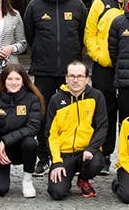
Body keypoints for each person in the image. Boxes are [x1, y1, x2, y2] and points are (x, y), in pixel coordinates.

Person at [23, 0, 87, 175]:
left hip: (71, 73)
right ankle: (44, 157)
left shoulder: (77, 5)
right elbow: (30, 35)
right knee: (44, 116)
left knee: (72, 115)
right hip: (44, 71)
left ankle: (69, 157)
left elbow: (81, 35)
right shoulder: (34, 6)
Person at [83, 0, 129, 172]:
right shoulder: (100, 3)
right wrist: (99, 56)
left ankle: (128, 157)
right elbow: (89, 34)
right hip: (104, 68)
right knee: (105, 113)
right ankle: (104, 155)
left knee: (128, 114)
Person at [45, 60, 107, 200]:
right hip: (64, 154)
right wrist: (56, 161)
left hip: (86, 152)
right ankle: (66, 179)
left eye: (80, 76)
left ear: (87, 79)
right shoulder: (56, 100)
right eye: (72, 76)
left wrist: (91, 148)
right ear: (66, 78)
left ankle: (83, 179)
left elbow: (102, 127)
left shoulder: (96, 97)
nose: (75, 80)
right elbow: (51, 134)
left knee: (97, 162)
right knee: (57, 193)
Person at [0, 63, 44, 198]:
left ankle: (27, 180)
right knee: (0, 190)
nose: (14, 83)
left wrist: (6, 140)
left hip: (21, 148)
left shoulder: (32, 99)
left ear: (23, 81)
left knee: (31, 143)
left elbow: (33, 127)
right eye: (10, 79)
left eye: (17, 79)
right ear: (3, 80)